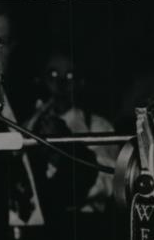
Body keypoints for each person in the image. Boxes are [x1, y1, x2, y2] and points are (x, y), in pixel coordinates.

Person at [26, 50, 119, 212]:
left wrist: (64, 154)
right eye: (53, 75)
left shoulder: (99, 126)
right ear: (40, 80)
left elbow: (110, 182)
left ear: (80, 83)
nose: (61, 84)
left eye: (70, 76)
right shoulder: (26, 127)